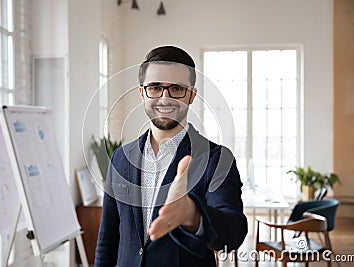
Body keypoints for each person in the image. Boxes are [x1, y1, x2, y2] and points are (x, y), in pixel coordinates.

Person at [94, 46, 247, 267]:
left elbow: (234, 233)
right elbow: (107, 241)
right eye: (155, 88)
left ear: (192, 95)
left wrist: (193, 216)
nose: (165, 99)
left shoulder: (216, 159)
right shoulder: (120, 158)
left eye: (177, 88)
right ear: (142, 93)